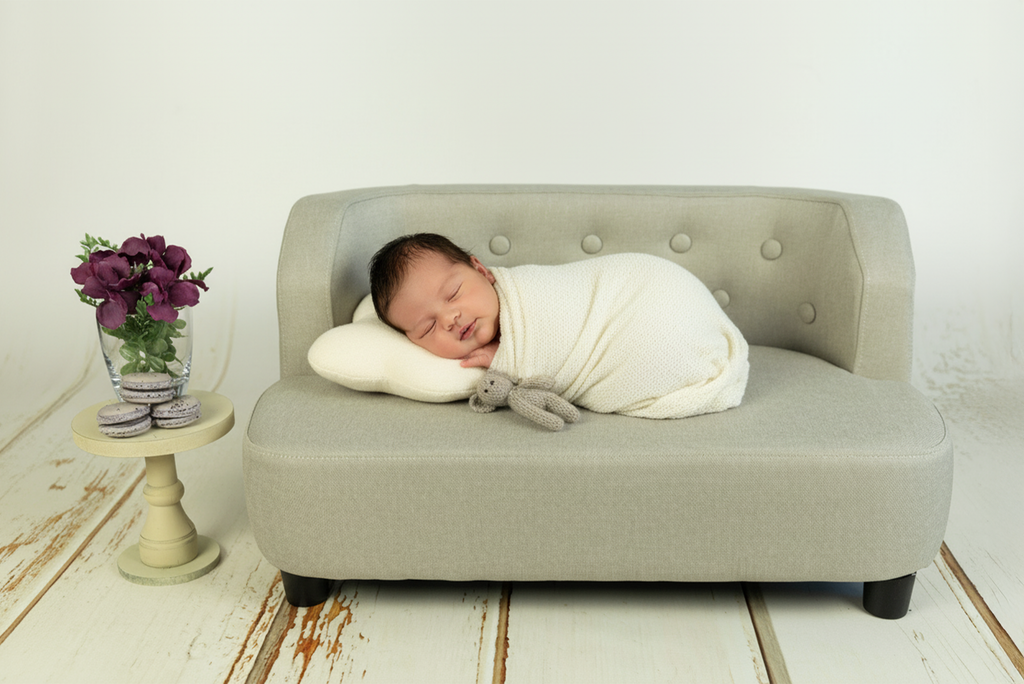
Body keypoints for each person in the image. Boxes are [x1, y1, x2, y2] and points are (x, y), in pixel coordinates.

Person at [369, 233, 500, 369]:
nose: (449, 319)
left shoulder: (521, 291)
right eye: (429, 327)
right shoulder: (450, 372)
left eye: (453, 294)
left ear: (481, 270)